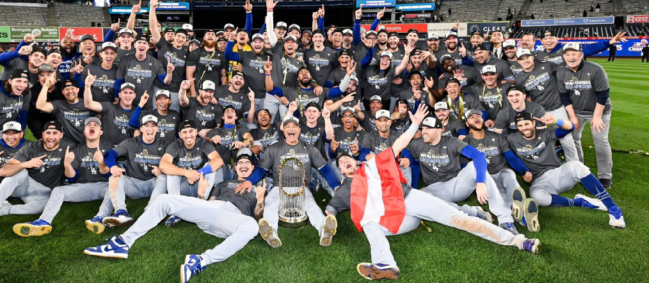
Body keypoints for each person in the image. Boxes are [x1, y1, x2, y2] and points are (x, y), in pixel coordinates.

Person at [329, 106, 539, 280]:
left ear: (355, 161)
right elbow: (334, 208)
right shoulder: (347, 189)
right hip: (401, 219)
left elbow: (399, 144)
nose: (344, 161)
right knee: (368, 225)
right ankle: (386, 265)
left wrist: (414, 124)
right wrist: (328, 221)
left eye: (346, 159)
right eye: (340, 163)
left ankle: (519, 241)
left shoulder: (371, 165)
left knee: (459, 220)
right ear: (341, 171)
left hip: (409, 199)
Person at [84, 149, 265, 283]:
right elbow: (207, 207)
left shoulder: (259, 188)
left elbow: (258, 217)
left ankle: (200, 261)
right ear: (236, 168)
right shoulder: (225, 183)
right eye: (240, 163)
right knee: (164, 199)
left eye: (246, 164)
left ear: (252, 168)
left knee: (251, 226)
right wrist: (201, 194)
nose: (243, 165)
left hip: (233, 218)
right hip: (212, 212)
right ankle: (123, 243)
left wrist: (260, 199)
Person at [408, 110, 519, 234]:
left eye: (428, 128)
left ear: (440, 130)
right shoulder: (416, 144)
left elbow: (478, 156)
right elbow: (412, 160)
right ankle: (472, 212)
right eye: (422, 128)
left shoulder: (452, 142)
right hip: (434, 188)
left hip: (457, 184)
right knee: (419, 197)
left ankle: (505, 220)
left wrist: (480, 182)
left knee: (474, 166)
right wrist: (407, 162)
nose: (423, 132)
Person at [506, 112, 625, 229]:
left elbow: (570, 128)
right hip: (539, 181)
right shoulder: (512, 139)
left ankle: (613, 209)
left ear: (533, 123)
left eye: (526, 124)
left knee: (577, 166)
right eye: (520, 126)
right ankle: (579, 202)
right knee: (536, 196)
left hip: (558, 174)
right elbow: (509, 157)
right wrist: (524, 172)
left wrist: (556, 121)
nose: (524, 128)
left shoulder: (546, 133)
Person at [12, 118, 112, 237]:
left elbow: (111, 174)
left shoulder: (110, 148)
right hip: (84, 186)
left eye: (96, 125)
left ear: (101, 132)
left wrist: (101, 162)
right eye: (88, 125)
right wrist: (67, 165)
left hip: (105, 186)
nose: (92, 126)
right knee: (59, 190)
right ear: (84, 132)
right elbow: (72, 178)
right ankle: (43, 221)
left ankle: (100, 218)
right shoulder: (76, 149)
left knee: (115, 186)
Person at [0, 121, 76, 237]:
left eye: (55, 133)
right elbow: (3, 171)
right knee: (20, 171)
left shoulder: (69, 147)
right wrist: (26, 164)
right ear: (43, 135)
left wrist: (68, 164)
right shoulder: (31, 148)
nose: (51, 137)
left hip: (45, 192)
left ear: (61, 135)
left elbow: (72, 178)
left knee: (46, 206)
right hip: (26, 185)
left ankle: (3, 210)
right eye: (48, 133)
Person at [253, 116, 340, 249]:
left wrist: (335, 186)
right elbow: (261, 170)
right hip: (279, 187)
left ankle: (324, 230)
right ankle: (271, 232)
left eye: (294, 127)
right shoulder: (274, 148)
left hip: (302, 187)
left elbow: (325, 169)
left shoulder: (309, 148)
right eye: (287, 127)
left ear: (299, 130)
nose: (291, 129)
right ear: (283, 130)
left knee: (312, 206)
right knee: (270, 204)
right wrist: (248, 181)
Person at [91, 114, 168, 230]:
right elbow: (110, 154)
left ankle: (150, 211)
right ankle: (121, 212)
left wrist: (161, 169)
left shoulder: (164, 144)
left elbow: (173, 163)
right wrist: (113, 167)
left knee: (164, 178)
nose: (150, 129)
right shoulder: (131, 142)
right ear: (141, 129)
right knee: (115, 177)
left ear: (157, 129)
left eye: (153, 126)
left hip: (153, 184)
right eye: (146, 125)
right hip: (134, 184)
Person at [556, 43, 614, 189]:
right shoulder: (561, 72)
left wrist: (596, 117)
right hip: (577, 111)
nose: (571, 57)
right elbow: (564, 96)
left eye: (574, 53)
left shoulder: (595, 69)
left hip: (599, 110)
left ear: (581, 55)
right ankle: (581, 170)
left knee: (600, 141)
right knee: (573, 139)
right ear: (563, 57)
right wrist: (573, 116)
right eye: (567, 54)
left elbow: (603, 95)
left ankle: (605, 176)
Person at [463, 109, 532, 221]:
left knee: (509, 175)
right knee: (498, 194)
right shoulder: (465, 143)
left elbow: (510, 157)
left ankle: (517, 206)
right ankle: (519, 213)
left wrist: (524, 171)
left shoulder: (497, 136)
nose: (476, 117)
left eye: (478, 116)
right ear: (467, 124)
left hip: (501, 171)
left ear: (483, 120)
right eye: (471, 117)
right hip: (485, 176)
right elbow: (465, 167)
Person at [515, 48, 578, 163]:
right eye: (522, 59)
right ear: (518, 62)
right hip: (539, 113)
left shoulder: (548, 65)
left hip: (557, 108)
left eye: (527, 57)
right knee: (540, 141)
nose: (525, 61)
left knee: (566, 139)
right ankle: (545, 165)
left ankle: (575, 166)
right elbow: (527, 97)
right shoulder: (519, 79)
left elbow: (565, 73)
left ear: (532, 57)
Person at [36, 79, 92, 145]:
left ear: (78, 89)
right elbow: (40, 106)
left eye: (72, 88)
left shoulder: (87, 104)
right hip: (67, 144)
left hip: (87, 143)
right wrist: (46, 86)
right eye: (66, 89)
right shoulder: (59, 105)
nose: (70, 91)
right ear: (63, 92)